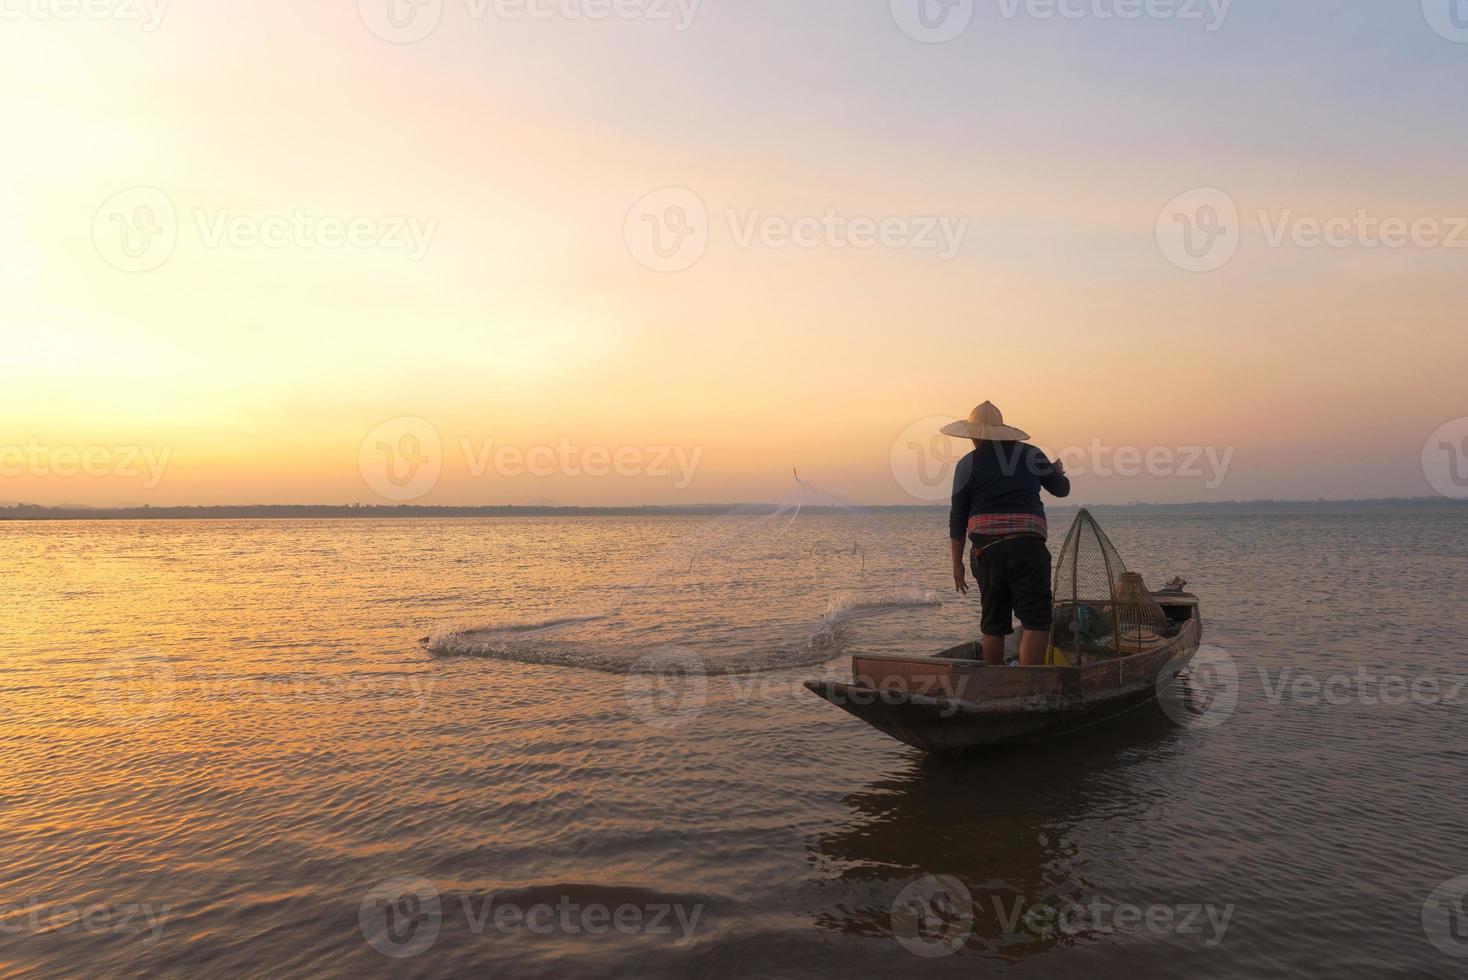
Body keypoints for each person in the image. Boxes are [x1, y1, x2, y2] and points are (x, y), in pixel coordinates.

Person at [944, 401, 1070, 667]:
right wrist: (1057, 472)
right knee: (1036, 621)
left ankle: (995, 684)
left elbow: (958, 518)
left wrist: (957, 564)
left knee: (994, 624)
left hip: (986, 552)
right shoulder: (1032, 454)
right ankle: (1027, 684)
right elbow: (1061, 489)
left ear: (975, 435)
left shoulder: (966, 464)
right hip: (1027, 549)